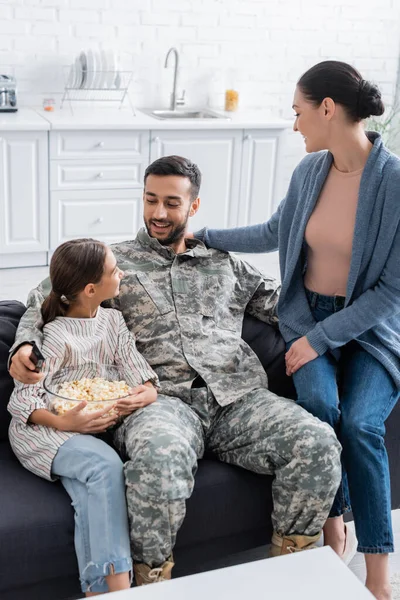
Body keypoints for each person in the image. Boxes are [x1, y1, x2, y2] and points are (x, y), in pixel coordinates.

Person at [9, 156, 341, 586]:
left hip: (238, 399)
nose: (158, 213)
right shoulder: (113, 265)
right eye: (150, 200)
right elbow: (46, 298)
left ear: (194, 206)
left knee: (317, 442)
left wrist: (338, 326)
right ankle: (151, 587)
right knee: (159, 459)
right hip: (159, 402)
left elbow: (287, 308)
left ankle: (292, 576)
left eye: (170, 202)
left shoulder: (225, 263)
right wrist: (24, 345)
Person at [192, 61, 400, 600]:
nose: (295, 125)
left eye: (299, 112)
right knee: (320, 410)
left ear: (327, 109)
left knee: (361, 425)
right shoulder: (309, 172)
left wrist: (316, 342)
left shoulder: (395, 183)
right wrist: (204, 234)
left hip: (370, 330)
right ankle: (334, 517)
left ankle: (379, 574)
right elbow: (272, 231)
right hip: (308, 313)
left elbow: (390, 294)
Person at [8, 238, 159, 596]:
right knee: (106, 467)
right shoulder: (55, 336)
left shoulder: (113, 321)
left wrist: (146, 392)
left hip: (86, 427)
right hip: (44, 428)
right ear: (91, 289)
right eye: (113, 270)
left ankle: (96, 589)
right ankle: (121, 589)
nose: (121, 272)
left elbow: (138, 370)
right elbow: (22, 399)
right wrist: (66, 423)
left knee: (91, 497)